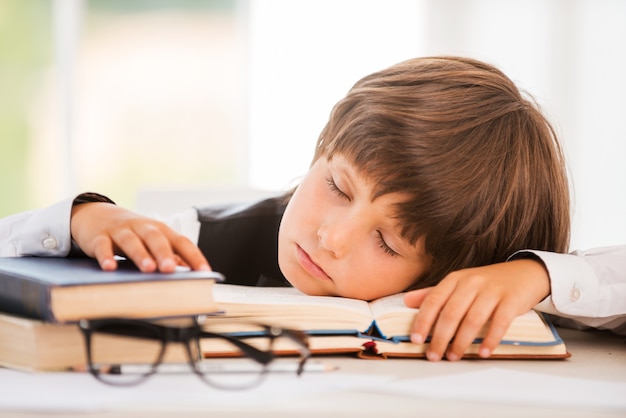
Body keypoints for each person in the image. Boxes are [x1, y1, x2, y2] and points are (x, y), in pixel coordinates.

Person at [1, 56, 623, 360]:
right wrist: (82, 219)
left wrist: (535, 276)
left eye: (389, 244)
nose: (332, 237)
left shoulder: (500, 292)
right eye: (338, 187)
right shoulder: (194, 238)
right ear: (319, 151)